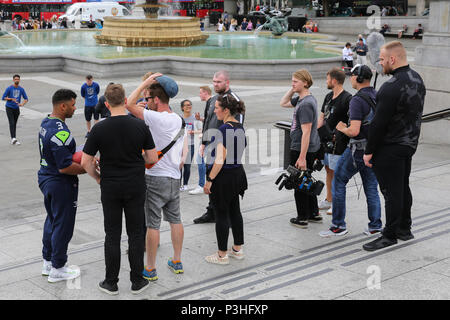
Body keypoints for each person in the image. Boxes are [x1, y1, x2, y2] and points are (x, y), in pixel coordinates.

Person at [81, 84, 158, 295]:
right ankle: (137, 281)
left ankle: (111, 282)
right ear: (125, 101)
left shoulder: (98, 128)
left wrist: (97, 177)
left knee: (112, 234)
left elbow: (86, 161)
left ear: (106, 104)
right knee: (135, 233)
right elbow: (152, 158)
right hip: (135, 184)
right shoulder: (140, 126)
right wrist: (136, 160)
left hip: (110, 186)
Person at [362, 41, 426, 251]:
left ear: (392, 59)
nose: (380, 64)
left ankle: (388, 235)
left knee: (391, 192)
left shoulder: (390, 87)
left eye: (381, 59)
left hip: (390, 146)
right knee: (402, 187)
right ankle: (404, 229)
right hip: (409, 144)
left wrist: (368, 151)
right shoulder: (417, 79)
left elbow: (378, 124)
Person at [126, 73, 187, 281]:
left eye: (149, 99)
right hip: (174, 177)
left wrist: (146, 81)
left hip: (154, 176)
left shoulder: (156, 117)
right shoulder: (178, 119)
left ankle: (150, 268)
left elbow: (129, 104)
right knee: (175, 220)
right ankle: (176, 260)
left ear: (157, 100)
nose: (146, 102)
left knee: (152, 224)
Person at [319, 65, 382, 237]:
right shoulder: (377, 95)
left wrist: (342, 128)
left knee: (338, 181)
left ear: (359, 78)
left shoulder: (357, 100)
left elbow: (354, 131)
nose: (351, 78)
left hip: (357, 150)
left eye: (352, 75)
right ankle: (375, 226)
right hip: (373, 149)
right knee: (371, 188)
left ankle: (338, 226)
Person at [38, 89, 85, 282]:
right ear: (62, 106)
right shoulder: (60, 131)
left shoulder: (46, 122)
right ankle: (58, 267)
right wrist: (87, 167)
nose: (75, 108)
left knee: (52, 220)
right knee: (63, 225)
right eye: (73, 105)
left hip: (46, 177)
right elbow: (65, 167)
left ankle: (48, 261)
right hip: (60, 184)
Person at [193, 71, 244, 224]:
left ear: (227, 83)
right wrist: (203, 143)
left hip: (226, 149)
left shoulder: (234, 100)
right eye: (214, 81)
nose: (215, 84)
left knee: (225, 183)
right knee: (212, 179)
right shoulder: (212, 99)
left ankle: (228, 214)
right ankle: (212, 211)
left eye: (219, 82)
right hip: (211, 146)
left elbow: (238, 127)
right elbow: (208, 120)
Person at [204, 93, 248, 264]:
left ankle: (222, 254)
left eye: (217, 108)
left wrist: (209, 180)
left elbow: (220, 160)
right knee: (235, 211)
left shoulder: (223, 129)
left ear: (226, 110)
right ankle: (237, 249)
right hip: (237, 174)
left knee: (221, 214)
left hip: (223, 177)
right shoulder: (239, 126)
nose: (215, 112)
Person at [280, 69, 322, 228]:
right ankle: (313, 213)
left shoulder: (305, 104)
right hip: (306, 148)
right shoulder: (302, 100)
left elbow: (306, 132)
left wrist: (302, 157)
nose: (292, 84)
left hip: (302, 149)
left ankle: (302, 217)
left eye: (295, 81)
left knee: (299, 182)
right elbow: (283, 103)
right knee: (307, 180)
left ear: (305, 82)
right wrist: (293, 89)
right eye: (292, 81)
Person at [317, 68, 352, 215]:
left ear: (334, 80)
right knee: (328, 170)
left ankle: (336, 204)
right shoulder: (328, 96)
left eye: (327, 79)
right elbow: (322, 115)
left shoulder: (347, 98)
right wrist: (318, 131)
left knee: (337, 172)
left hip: (338, 142)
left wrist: (342, 132)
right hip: (325, 141)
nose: (326, 81)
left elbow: (352, 121)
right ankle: (329, 199)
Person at [190, 86, 211, 195]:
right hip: (209, 136)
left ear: (205, 93)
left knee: (200, 159)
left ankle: (202, 185)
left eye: (200, 93)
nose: (199, 95)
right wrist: (201, 119)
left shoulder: (210, 103)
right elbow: (210, 120)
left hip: (208, 137)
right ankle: (207, 183)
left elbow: (213, 121)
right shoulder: (210, 103)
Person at [2, 74, 28, 145]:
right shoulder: (9, 88)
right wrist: (11, 99)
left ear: (19, 80)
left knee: (14, 124)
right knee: (12, 123)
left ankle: (13, 138)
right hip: (9, 108)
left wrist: (22, 104)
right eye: (15, 79)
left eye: (18, 79)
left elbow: (26, 99)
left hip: (16, 109)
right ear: (13, 80)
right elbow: (3, 97)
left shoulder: (21, 89)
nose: (17, 80)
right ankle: (13, 139)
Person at [180, 99, 197, 191]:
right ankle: (178, 184)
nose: (188, 106)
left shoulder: (195, 118)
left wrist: (193, 131)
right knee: (179, 165)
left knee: (187, 165)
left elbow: (201, 130)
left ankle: (185, 184)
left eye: (190, 105)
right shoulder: (179, 118)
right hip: (180, 145)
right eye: (186, 105)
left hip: (190, 144)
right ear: (182, 107)